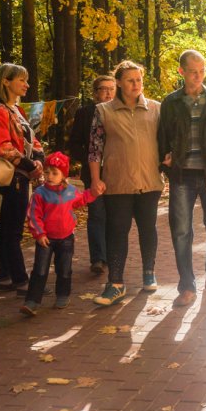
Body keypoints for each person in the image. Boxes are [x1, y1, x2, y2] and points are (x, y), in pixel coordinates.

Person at [158, 50, 206, 307]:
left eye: (202, 70)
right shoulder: (170, 103)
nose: (198, 76)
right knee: (181, 230)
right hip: (182, 175)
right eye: (193, 71)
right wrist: (166, 163)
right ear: (181, 72)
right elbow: (162, 138)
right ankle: (187, 286)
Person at [89, 60, 164, 307]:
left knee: (148, 229)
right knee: (117, 232)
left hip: (149, 182)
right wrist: (96, 179)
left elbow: (165, 144)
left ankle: (149, 272)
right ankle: (116, 284)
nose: (136, 84)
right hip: (117, 182)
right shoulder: (103, 111)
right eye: (130, 80)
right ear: (119, 82)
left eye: (139, 80)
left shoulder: (156, 109)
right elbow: (95, 149)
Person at [0, 63, 45, 294]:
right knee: (13, 231)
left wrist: (40, 158)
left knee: (5, 228)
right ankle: (22, 281)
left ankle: (4, 278)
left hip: (21, 174)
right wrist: (30, 165)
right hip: (12, 176)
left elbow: (33, 141)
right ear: (5, 81)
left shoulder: (16, 111)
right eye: (21, 80)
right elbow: (1, 146)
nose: (26, 84)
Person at [20, 152, 105, 316]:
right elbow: (33, 215)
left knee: (64, 269)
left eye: (54, 173)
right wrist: (39, 234)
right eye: (47, 172)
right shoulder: (40, 194)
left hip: (66, 238)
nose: (49, 176)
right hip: (46, 239)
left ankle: (63, 295)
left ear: (63, 175)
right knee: (40, 270)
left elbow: (81, 200)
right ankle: (32, 301)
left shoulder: (71, 191)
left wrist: (93, 194)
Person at [68, 74, 117, 274]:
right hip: (93, 174)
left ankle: (113, 255)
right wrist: (91, 158)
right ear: (95, 93)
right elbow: (74, 144)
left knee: (115, 215)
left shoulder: (121, 112)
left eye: (111, 89)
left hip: (118, 173)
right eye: (102, 89)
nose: (107, 92)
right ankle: (98, 258)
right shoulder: (85, 113)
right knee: (97, 214)